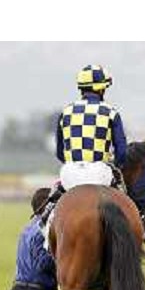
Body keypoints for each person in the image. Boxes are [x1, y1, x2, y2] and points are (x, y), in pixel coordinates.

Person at [40, 64, 128, 225]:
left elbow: (60, 153)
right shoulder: (111, 112)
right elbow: (122, 152)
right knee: (126, 209)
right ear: (102, 88)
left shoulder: (65, 112)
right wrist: (116, 165)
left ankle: (46, 229)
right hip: (100, 174)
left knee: (49, 214)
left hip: (70, 174)